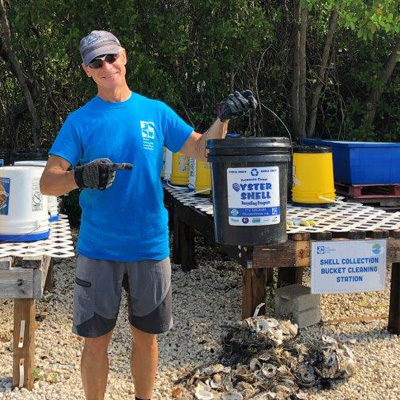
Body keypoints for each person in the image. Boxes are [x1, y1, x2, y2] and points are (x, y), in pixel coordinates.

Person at [40, 30, 257, 400]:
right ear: (86, 71)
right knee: (95, 344)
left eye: (110, 57)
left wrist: (222, 119)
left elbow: (202, 151)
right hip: (98, 249)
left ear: (123, 57)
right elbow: (47, 182)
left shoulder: (154, 111)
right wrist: (80, 176)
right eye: (96, 62)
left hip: (150, 246)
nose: (106, 66)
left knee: (147, 340)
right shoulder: (79, 121)